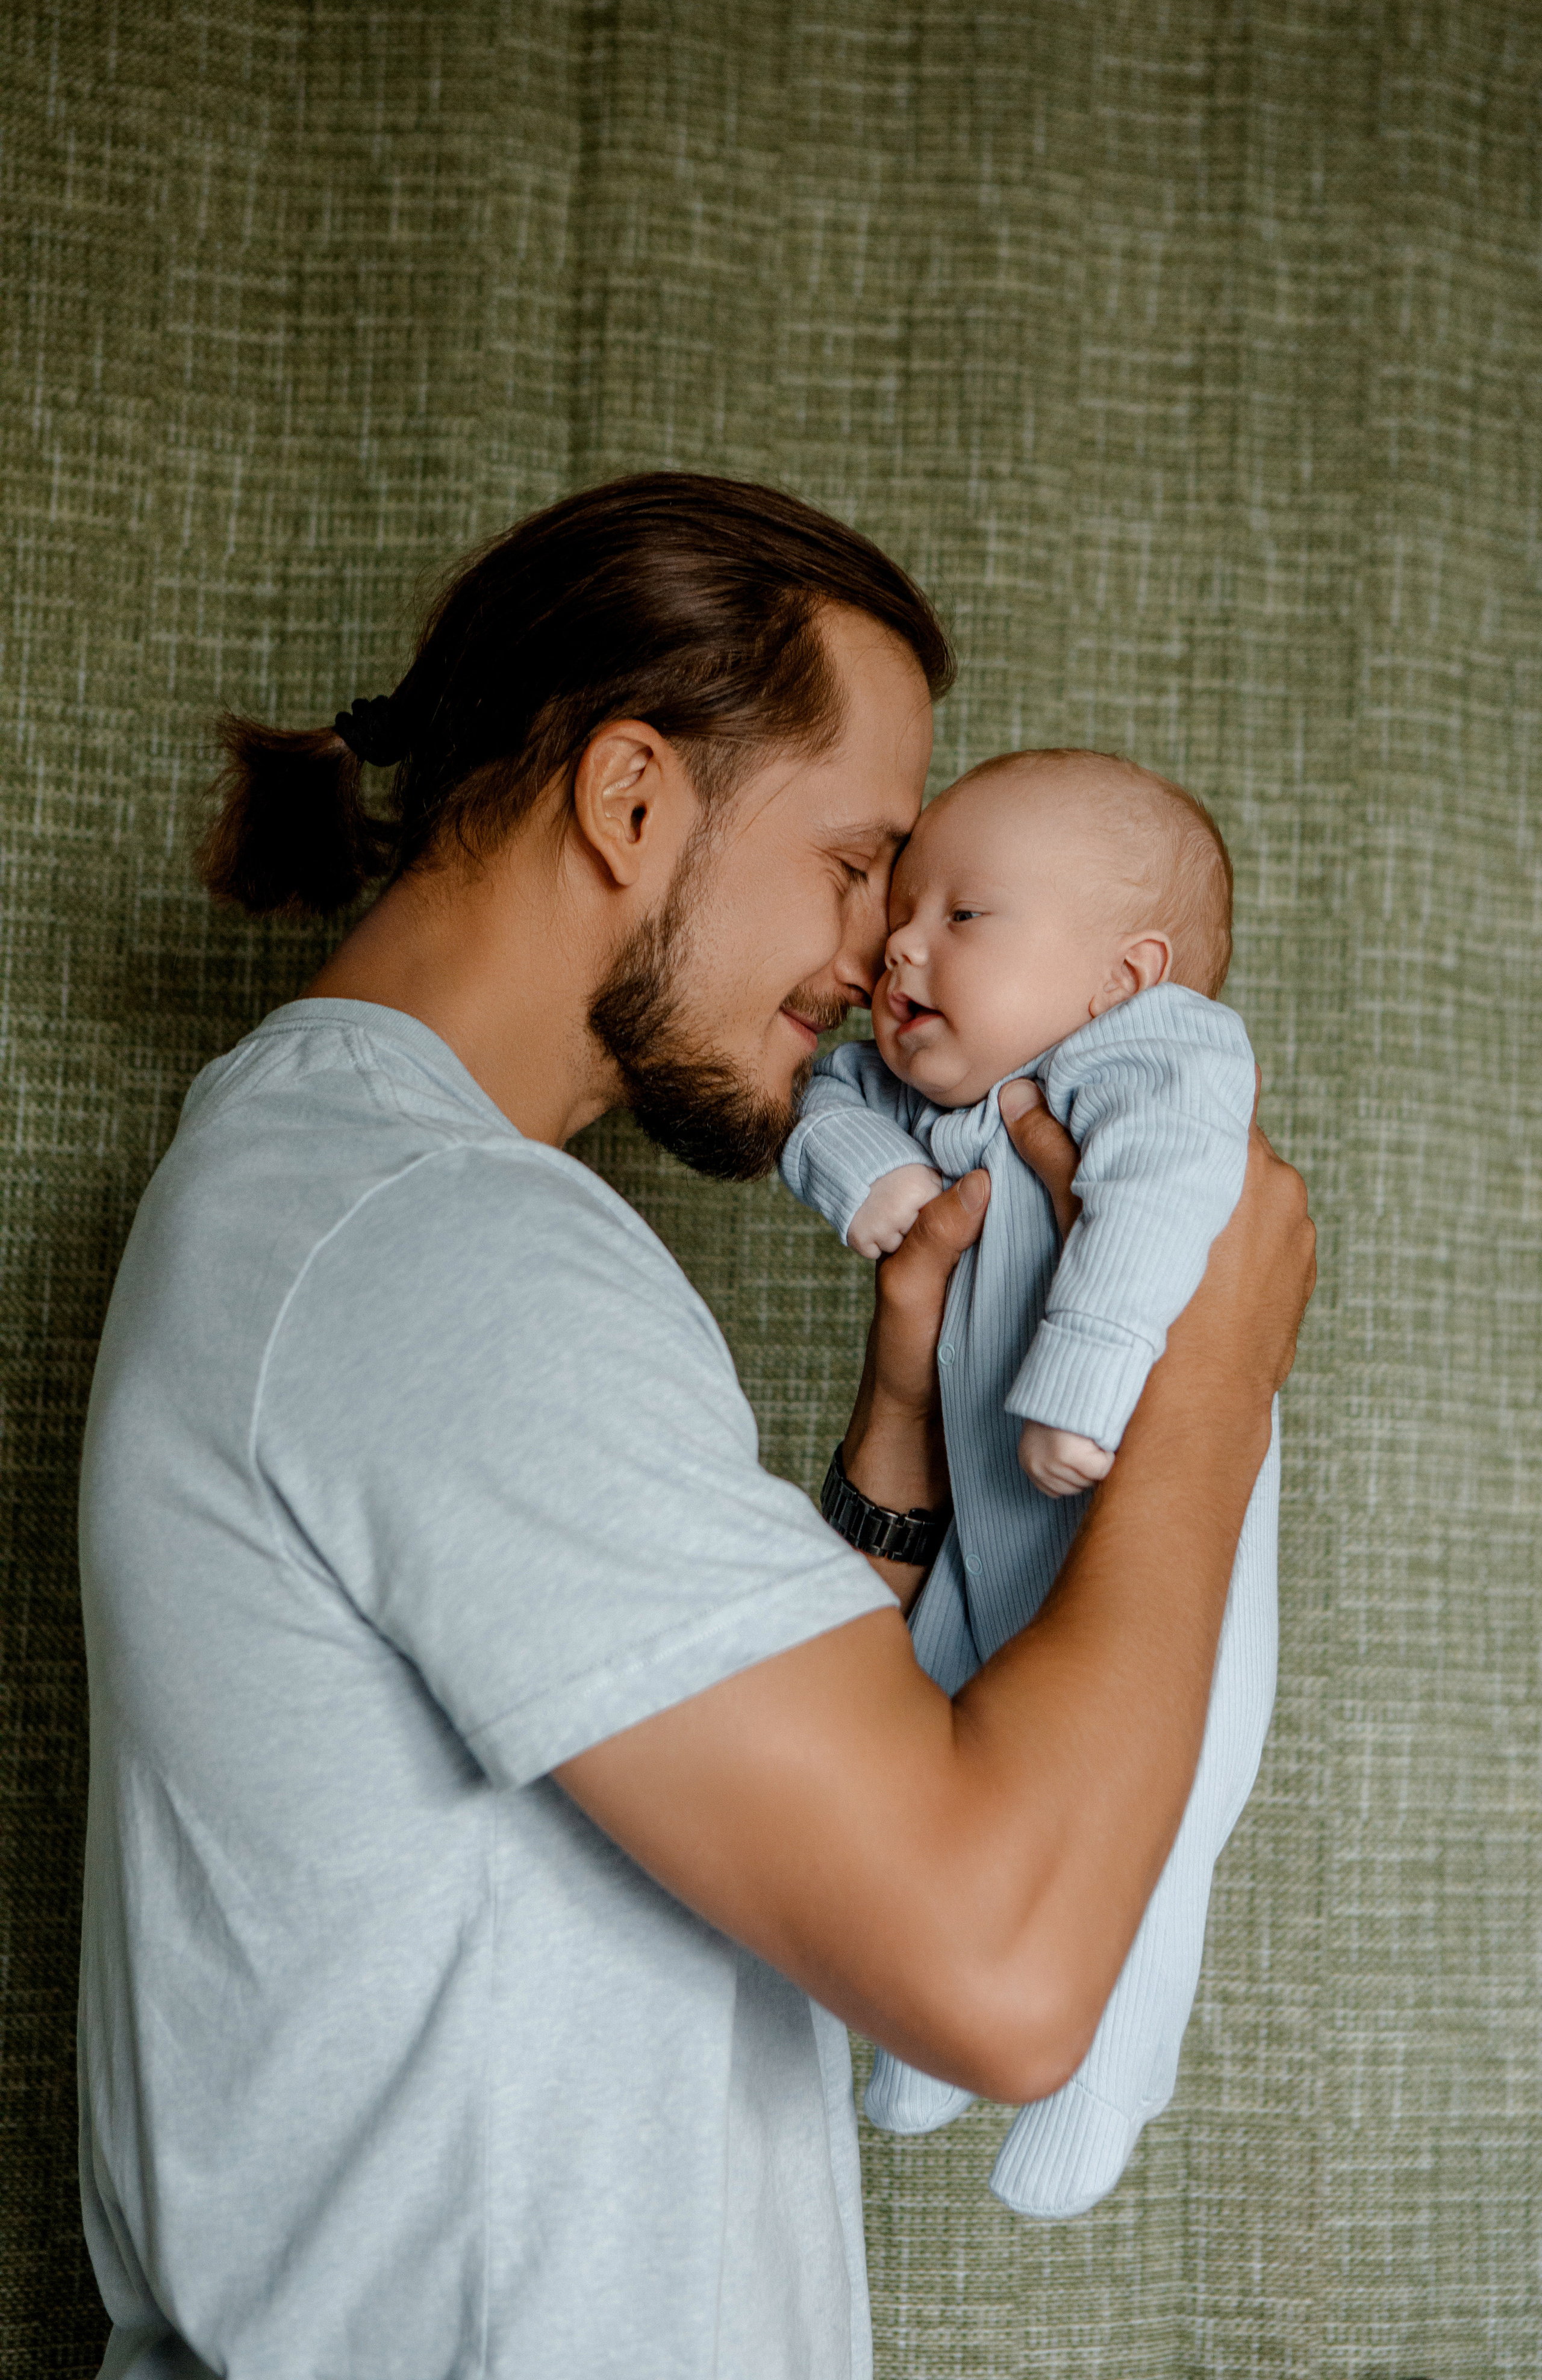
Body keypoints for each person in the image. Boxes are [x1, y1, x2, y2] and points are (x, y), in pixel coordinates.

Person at [76, 473, 1314, 2380]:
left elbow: (725, 1774)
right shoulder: (440, 1237)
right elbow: (1000, 1970)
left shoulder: (342, 1192)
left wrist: (901, 1421)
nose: (877, 957)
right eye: (851, 864)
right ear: (631, 797)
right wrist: (1213, 1371)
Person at [781, 748, 1278, 2217]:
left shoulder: (1153, 1055)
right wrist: (865, 1171)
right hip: (988, 1524)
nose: (896, 944)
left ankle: (1116, 2069)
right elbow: (816, 1094)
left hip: (1165, 1520)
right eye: (901, 904)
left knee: (1160, 1808)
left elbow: (1174, 1192)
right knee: (938, 1727)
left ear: (1124, 975)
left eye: (963, 914)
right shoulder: (938, 1091)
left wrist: (1085, 1370)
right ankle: (932, 2029)